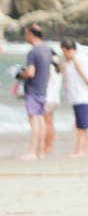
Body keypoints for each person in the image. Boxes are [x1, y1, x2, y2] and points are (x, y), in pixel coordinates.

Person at [61, 40, 88, 158]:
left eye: (64, 52)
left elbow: (84, 76)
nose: (64, 55)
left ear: (69, 49)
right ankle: (82, 150)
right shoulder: (81, 58)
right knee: (82, 125)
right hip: (82, 96)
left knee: (81, 126)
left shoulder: (76, 60)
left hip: (80, 96)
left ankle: (80, 151)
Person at [17, 24, 52, 161]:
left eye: (26, 34)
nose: (26, 37)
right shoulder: (47, 50)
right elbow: (48, 74)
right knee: (41, 120)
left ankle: (32, 152)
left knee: (34, 121)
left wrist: (21, 75)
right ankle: (41, 151)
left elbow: (30, 73)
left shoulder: (33, 52)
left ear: (31, 34)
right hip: (43, 89)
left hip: (32, 90)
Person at [43, 54, 62, 154]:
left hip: (48, 98)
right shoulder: (58, 70)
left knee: (46, 123)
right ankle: (49, 145)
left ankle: (47, 146)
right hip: (55, 100)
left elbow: (44, 81)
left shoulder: (49, 69)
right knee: (50, 122)